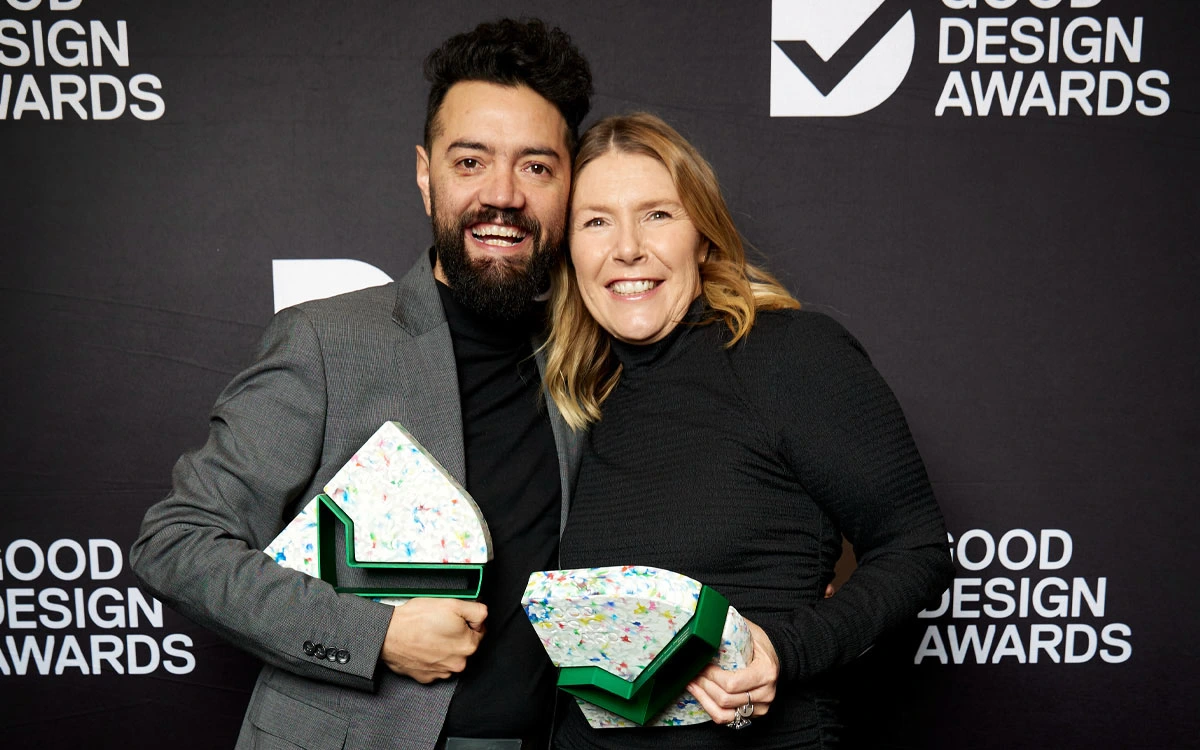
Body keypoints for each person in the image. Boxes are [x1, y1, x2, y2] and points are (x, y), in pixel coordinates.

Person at [131, 19, 592, 750]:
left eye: (535, 166)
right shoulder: (327, 342)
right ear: (424, 172)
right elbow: (178, 543)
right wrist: (375, 634)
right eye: (470, 162)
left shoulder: (588, 355)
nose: (502, 196)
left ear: (571, 182)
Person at [542, 113, 955, 748]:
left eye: (657, 214)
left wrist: (783, 649)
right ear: (570, 250)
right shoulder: (587, 399)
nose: (627, 248)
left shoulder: (788, 356)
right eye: (596, 221)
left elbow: (915, 547)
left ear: (703, 236)